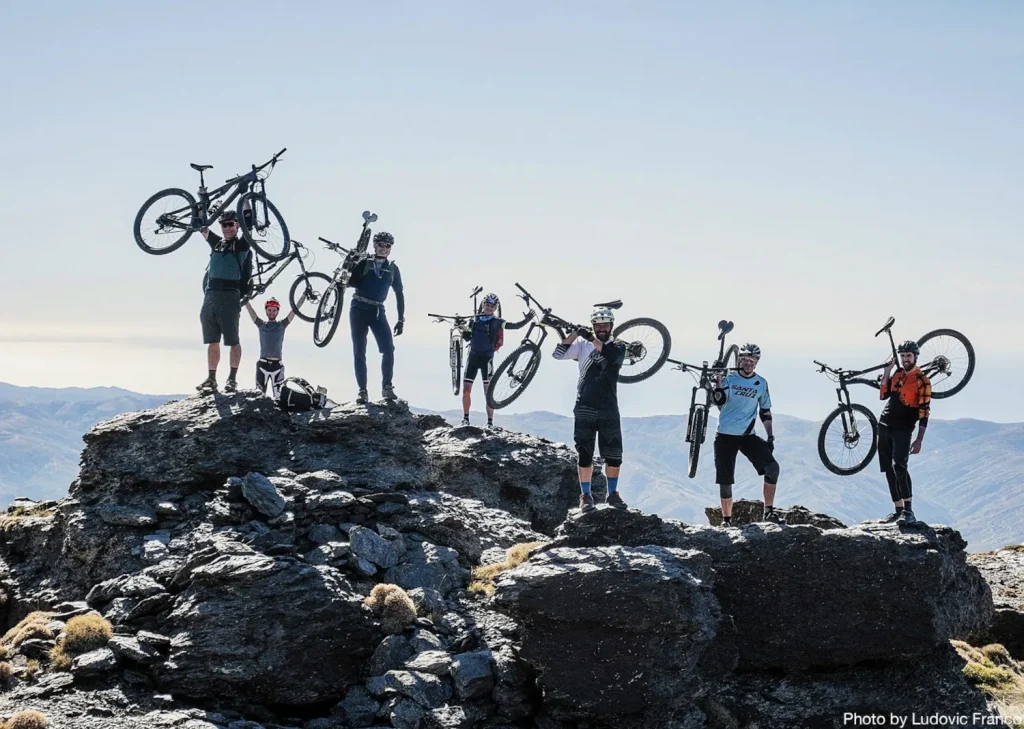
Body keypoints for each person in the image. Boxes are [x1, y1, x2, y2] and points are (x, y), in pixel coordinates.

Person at [552, 307, 628, 512]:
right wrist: (575, 333)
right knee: (585, 453)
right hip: (584, 405)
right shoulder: (583, 345)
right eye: (598, 325)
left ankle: (612, 494)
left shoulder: (619, 346)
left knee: (614, 456)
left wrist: (591, 339)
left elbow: (611, 358)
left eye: (605, 325)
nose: (601, 328)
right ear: (593, 326)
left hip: (609, 407)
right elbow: (558, 354)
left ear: (611, 326)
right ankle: (585, 496)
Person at [712, 343, 780, 526]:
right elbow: (719, 400)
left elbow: (765, 412)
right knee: (725, 479)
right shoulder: (730, 379)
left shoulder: (761, 383)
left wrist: (770, 436)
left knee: (772, 468)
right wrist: (718, 381)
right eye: (744, 360)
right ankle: (726, 520)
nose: (748, 363)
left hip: (747, 435)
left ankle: (769, 512)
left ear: (756, 363)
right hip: (725, 435)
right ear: (739, 360)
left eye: (752, 360)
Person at [197, 209, 252, 393]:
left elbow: (249, 225)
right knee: (212, 340)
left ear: (237, 225)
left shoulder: (242, 246)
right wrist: (199, 208)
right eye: (224, 224)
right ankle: (211, 378)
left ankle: (232, 379)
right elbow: (202, 228)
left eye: (231, 224)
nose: (227, 228)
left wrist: (246, 204)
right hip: (211, 295)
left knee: (232, 340)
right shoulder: (217, 244)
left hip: (230, 294)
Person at [460, 293, 534, 428]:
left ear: (495, 308)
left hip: (487, 359)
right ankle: (465, 419)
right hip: (473, 358)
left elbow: (515, 326)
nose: (489, 308)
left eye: (492, 306)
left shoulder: (498, 322)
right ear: (483, 305)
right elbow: (467, 337)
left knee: (488, 393)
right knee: (466, 390)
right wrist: (461, 328)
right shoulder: (474, 320)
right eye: (487, 305)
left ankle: (489, 423)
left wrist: (527, 320)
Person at [877, 341, 931, 525]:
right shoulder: (898, 373)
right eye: (903, 356)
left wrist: (919, 440)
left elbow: (924, 411)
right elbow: (884, 394)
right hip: (884, 425)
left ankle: (908, 510)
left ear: (915, 356)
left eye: (909, 356)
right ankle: (897, 509)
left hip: (903, 428)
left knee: (899, 466)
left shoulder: (921, 380)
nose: (905, 359)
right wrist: (887, 371)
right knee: (888, 469)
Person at [348, 231, 405, 404]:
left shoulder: (393, 269)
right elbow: (351, 283)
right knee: (359, 350)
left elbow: (399, 293)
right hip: (358, 307)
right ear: (374, 245)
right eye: (381, 245)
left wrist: (401, 319)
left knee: (388, 348)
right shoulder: (365, 263)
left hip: (378, 310)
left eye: (388, 246)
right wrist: (354, 265)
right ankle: (362, 391)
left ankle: (387, 387)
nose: (384, 249)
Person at [244, 293, 306, 399]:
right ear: (266, 311)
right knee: (259, 397)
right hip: (262, 365)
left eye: (274, 310)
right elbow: (250, 309)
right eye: (269, 310)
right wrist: (245, 299)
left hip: (277, 366)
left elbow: (295, 310)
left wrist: (304, 295)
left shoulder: (281, 325)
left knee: (279, 397)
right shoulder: (261, 324)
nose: (271, 312)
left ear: (277, 311)